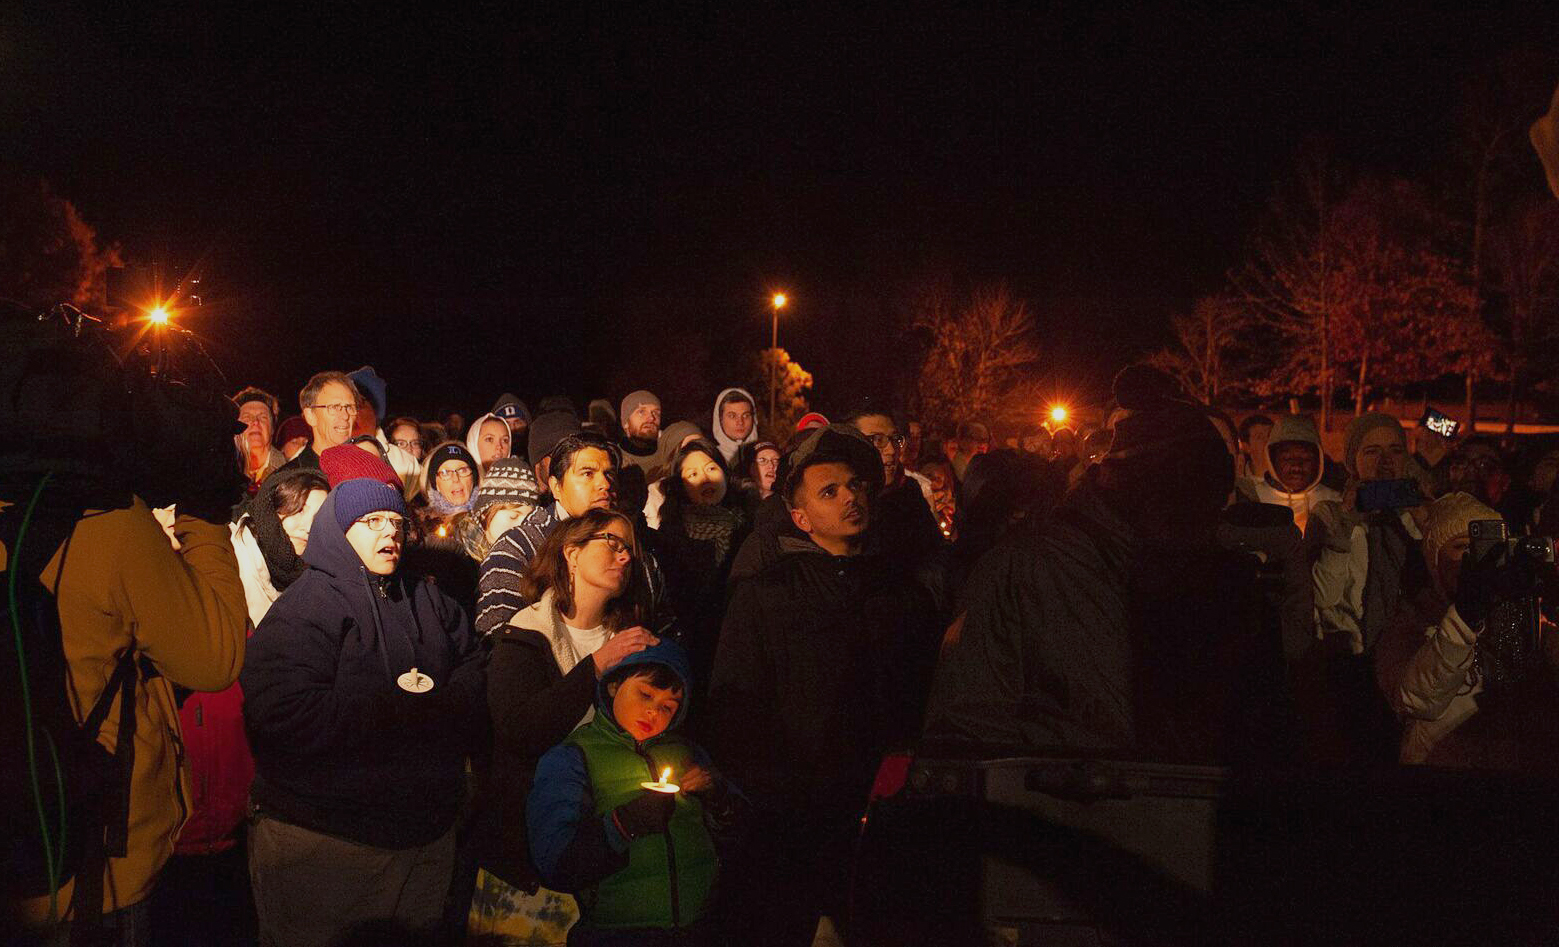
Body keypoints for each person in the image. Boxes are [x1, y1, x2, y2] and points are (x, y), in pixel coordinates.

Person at [925, 368, 1284, 763]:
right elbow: (969, 726)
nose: (1208, 516)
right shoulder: (1027, 570)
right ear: (1136, 484)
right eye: (1189, 494)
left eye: (1214, 498)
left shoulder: (1226, 582)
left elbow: (1261, 732)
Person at [708, 425, 942, 945]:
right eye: (829, 492)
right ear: (800, 517)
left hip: (885, 821)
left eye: (857, 486)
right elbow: (736, 708)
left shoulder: (901, 596)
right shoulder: (767, 597)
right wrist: (779, 801)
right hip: (796, 827)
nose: (850, 499)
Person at [242, 478, 488, 947]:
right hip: (330, 845)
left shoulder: (427, 597)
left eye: (395, 522)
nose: (388, 533)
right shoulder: (304, 610)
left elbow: (473, 660)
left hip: (423, 838)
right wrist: (404, 713)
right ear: (337, 531)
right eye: (371, 522)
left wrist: (448, 704)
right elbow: (282, 715)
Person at [149, 468, 330, 946]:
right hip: (163, 842)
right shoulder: (146, 630)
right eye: (161, 533)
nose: (172, 545)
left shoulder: (244, 623)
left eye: (180, 533)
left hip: (240, 828)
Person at [470, 509, 659, 945]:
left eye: (628, 548)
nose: (624, 556)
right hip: (531, 859)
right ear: (571, 553)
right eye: (611, 542)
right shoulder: (525, 634)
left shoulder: (633, 638)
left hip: (616, 851)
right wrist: (594, 667)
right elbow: (520, 730)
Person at [528, 640, 743, 947]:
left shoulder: (687, 753)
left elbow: (740, 835)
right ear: (614, 685)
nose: (654, 711)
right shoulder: (574, 756)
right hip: (616, 933)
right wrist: (624, 823)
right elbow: (556, 861)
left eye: (668, 706)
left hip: (699, 930)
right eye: (645, 694)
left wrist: (718, 798)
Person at [1375, 493, 1559, 771]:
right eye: (1461, 546)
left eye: (1487, 547)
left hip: (1517, 777)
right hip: (1442, 776)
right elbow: (1415, 701)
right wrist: (1464, 618)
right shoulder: (1410, 620)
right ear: (1434, 561)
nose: (1475, 557)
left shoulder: (1525, 613)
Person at [1307, 413, 1429, 763]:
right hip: (1349, 661)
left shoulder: (1418, 513)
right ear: (1352, 460)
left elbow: (1437, 581)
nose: (1385, 462)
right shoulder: (1329, 514)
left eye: (1395, 450)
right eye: (1372, 451)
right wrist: (1346, 524)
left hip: (1409, 659)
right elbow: (1324, 597)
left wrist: (1417, 514)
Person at [475, 431, 622, 635]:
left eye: (608, 474)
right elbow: (499, 637)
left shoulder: (626, 544)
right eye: (587, 474)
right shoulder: (519, 547)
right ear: (556, 486)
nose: (604, 484)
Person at [656, 438, 754, 692]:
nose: (705, 478)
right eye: (693, 473)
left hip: (746, 642)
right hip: (695, 650)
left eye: (711, 468)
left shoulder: (751, 525)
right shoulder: (672, 535)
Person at [1233, 413, 1340, 535]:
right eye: (1287, 458)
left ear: (1318, 460)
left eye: (1305, 459)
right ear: (1272, 460)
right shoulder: (1253, 499)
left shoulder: (1334, 503)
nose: (1296, 466)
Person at [455, 457, 540, 566]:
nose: (522, 527)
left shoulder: (531, 558)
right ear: (484, 514)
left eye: (529, 519)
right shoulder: (456, 561)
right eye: (513, 517)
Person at [279, 370, 359, 472]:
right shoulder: (289, 480)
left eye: (349, 407)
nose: (345, 415)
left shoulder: (367, 470)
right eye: (334, 407)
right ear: (311, 416)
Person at [418, 441, 480, 537]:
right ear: (435, 484)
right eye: (445, 473)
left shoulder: (489, 518)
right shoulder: (422, 527)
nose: (456, 479)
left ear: (473, 478)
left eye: (463, 470)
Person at [234, 386, 287, 489]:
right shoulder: (219, 473)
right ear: (234, 429)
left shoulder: (289, 474)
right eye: (247, 417)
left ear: (272, 428)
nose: (255, 422)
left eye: (263, 417)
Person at [711, 386, 758, 466]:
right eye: (732, 416)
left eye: (746, 415)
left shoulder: (766, 458)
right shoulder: (711, 460)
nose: (740, 422)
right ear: (720, 420)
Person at [618, 389, 662, 474]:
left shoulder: (670, 458)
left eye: (656, 413)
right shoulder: (613, 461)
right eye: (641, 412)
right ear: (626, 423)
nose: (651, 418)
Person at [1237, 413, 1274, 482]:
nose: (1268, 441)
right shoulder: (1240, 482)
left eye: (1270, 435)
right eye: (1260, 437)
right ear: (1246, 447)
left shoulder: (1289, 480)